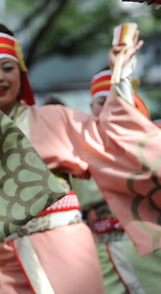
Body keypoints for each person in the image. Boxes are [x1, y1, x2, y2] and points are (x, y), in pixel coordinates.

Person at [0, 23, 161, 293]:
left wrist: (120, 77)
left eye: (8, 67)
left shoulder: (57, 119)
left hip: (64, 245)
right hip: (7, 253)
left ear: (21, 75)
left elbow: (113, 140)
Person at [72, 69, 161, 293]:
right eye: (101, 102)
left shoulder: (152, 140)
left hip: (151, 247)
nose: (109, 108)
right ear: (91, 107)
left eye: (117, 100)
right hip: (101, 253)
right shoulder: (76, 149)